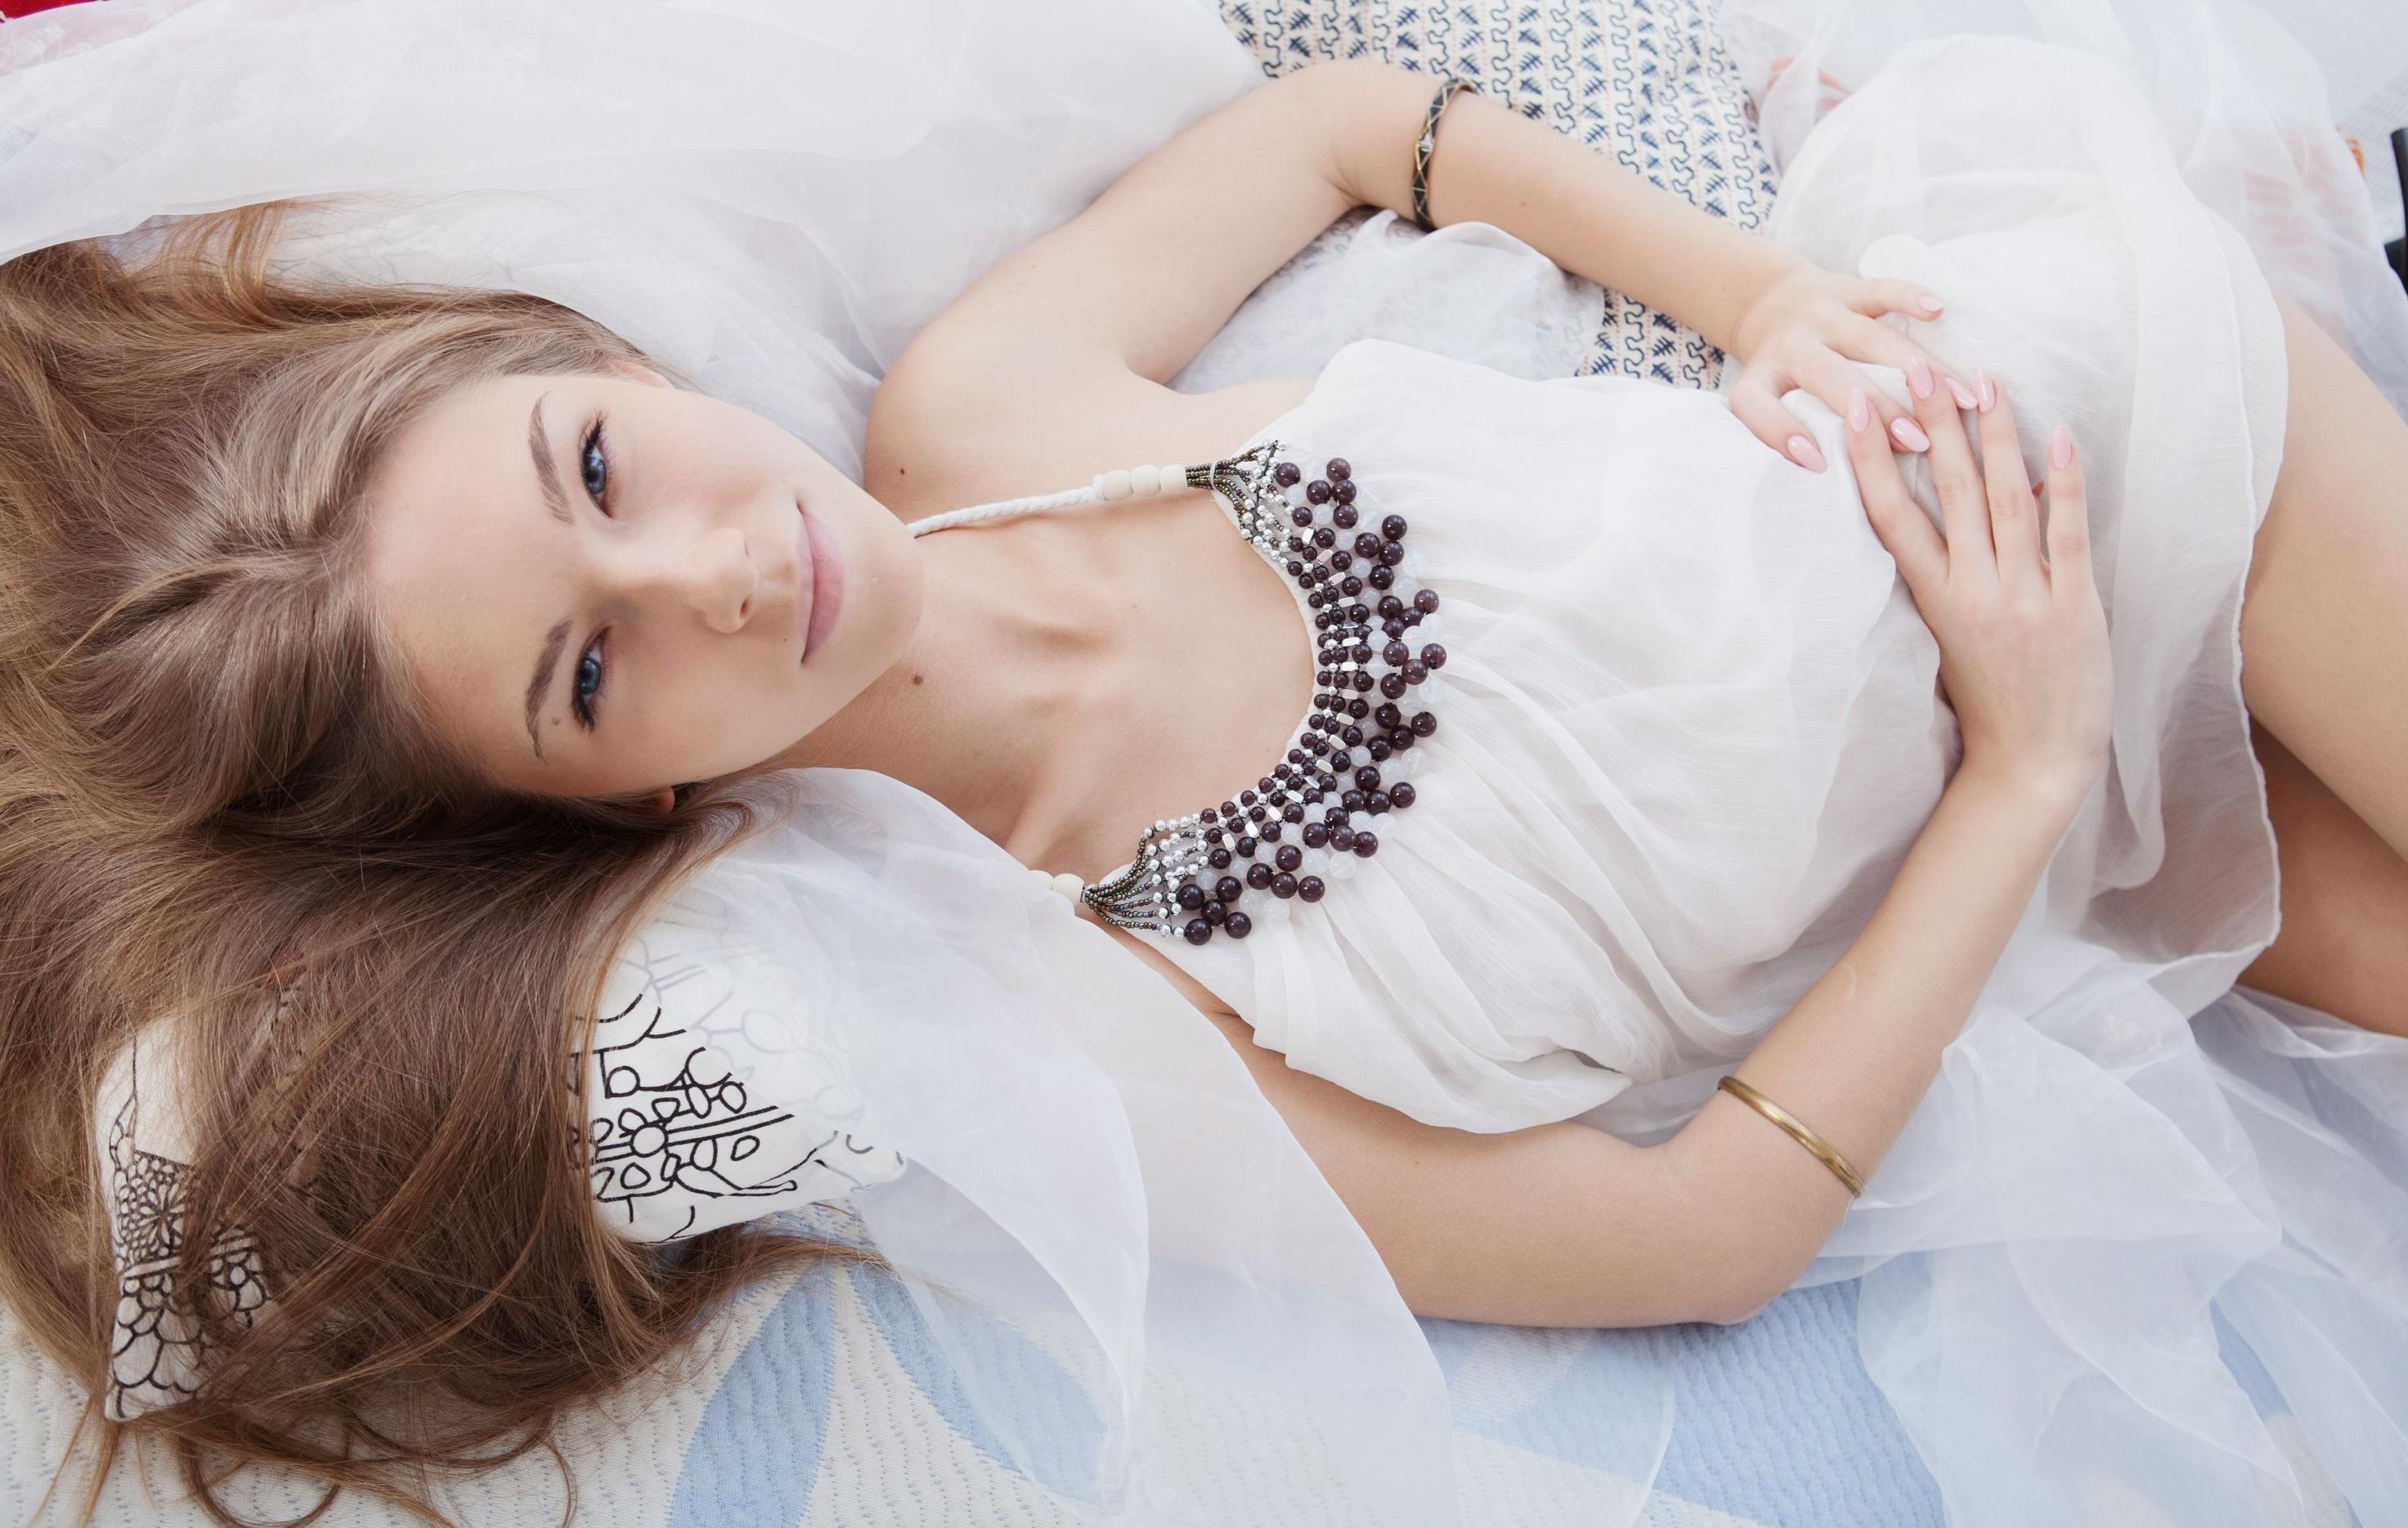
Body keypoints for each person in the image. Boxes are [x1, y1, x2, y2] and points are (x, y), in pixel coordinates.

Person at [2, 12, 2403, 1528]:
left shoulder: (982, 420)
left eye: (602, 468)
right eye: (593, 672)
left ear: (599, 369)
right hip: (2067, 832)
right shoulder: (1073, 1001)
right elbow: (1688, 1244)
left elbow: (1352, 125)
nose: (723, 568)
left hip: (2064, 437)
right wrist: (2025, 771)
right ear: (602, 813)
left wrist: (1755, 293)